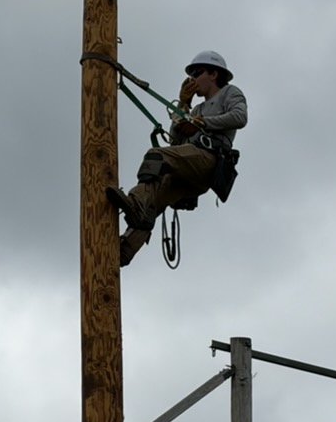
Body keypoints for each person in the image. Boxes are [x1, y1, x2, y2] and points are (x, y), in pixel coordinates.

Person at [105, 50, 248, 267]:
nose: (192, 79)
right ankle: (124, 251)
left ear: (213, 74)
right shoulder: (197, 108)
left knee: (156, 156)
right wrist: (184, 104)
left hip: (208, 160)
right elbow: (175, 140)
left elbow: (240, 117)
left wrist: (202, 123)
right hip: (189, 167)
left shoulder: (230, 93)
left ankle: (135, 203)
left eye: (197, 73)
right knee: (153, 202)